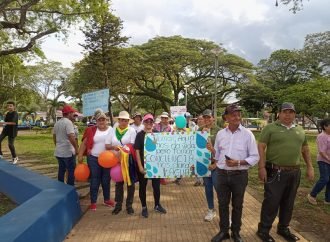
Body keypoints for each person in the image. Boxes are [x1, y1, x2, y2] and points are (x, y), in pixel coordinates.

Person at [257, 102, 314, 242]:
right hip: (275, 172)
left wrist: (310, 167)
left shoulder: (300, 130)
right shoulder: (270, 128)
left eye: (291, 112)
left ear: (295, 114)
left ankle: (283, 228)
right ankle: (263, 230)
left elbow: (305, 149)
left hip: (294, 172)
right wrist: (261, 167)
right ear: (279, 114)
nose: (288, 115)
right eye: (285, 112)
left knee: (288, 203)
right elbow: (261, 147)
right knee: (271, 202)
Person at [211, 104, 259, 242]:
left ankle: (236, 233)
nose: (237, 117)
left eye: (238, 114)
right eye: (233, 114)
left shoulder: (248, 134)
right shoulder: (220, 134)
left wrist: (238, 162)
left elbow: (255, 157)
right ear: (226, 117)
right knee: (222, 204)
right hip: (222, 174)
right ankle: (224, 231)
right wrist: (215, 163)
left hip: (239, 175)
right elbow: (218, 155)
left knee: (238, 205)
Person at [78, 109, 114, 211]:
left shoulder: (111, 129)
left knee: (106, 180)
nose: (101, 122)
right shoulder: (91, 130)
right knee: (95, 179)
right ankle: (93, 202)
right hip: (93, 158)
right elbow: (84, 143)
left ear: (106, 120)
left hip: (108, 159)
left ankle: (106, 199)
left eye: (103, 120)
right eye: (99, 120)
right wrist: (80, 155)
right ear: (96, 121)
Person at [134, 113, 167, 218]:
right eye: (147, 121)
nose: (149, 123)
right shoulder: (139, 135)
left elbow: (163, 149)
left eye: (151, 121)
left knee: (156, 187)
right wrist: (140, 166)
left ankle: (157, 205)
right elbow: (137, 151)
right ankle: (144, 207)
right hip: (143, 166)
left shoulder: (157, 133)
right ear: (143, 122)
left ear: (153, 123)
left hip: (155, 166)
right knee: (142, 187)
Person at [105, 111, 137, 215]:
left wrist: (123, 151)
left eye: (126, 120)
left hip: (128, 160)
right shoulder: (113, 131)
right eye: (121, 120)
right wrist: (114, 148)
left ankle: (129, 205)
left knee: (130, 182)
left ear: (128, 121)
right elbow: (107, 145)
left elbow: (132, 144)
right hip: (116, 161)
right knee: (118, 183)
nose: (123, 122)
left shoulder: (132, 130)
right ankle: (118, 205)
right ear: (118, 120)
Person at [198, 109, 221, 222]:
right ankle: (211, 210)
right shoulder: (199, 130)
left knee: (220, 190)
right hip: (205, 165)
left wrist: (216, 164)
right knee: (208, 189)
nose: (207, 119)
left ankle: (225, 212)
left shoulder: (219, 131)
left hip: (216, 166)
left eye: (209, 117)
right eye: (205, 117)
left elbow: (223, 150)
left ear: (213, 118)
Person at [53, 105, 79, 186]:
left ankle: (61, 189)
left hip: (59, 151)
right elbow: (71, 136)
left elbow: (54, 136)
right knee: (71, 171)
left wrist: (57, 145)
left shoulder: (57, 123)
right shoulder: (68, 122)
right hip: (68, 152)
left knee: (61, 170)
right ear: (69, 113)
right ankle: (70, 189)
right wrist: (76, 148)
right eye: (73, 113)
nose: (74, 114)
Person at [307, 118, 330, 205]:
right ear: (325, 126)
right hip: (323, 161)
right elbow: (322, 151)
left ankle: (328, 199)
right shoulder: (322, 136)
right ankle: (312, 195)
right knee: (324, 179)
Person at [193, 114, 205, 186]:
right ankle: (198, 180)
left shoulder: (206, 128)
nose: (200, 120)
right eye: (199, 119)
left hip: (204, 150)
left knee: (203, 164)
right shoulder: (194, 128)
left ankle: (204, 181)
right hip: (195, 149)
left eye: (201, 119)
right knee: (196, 166)